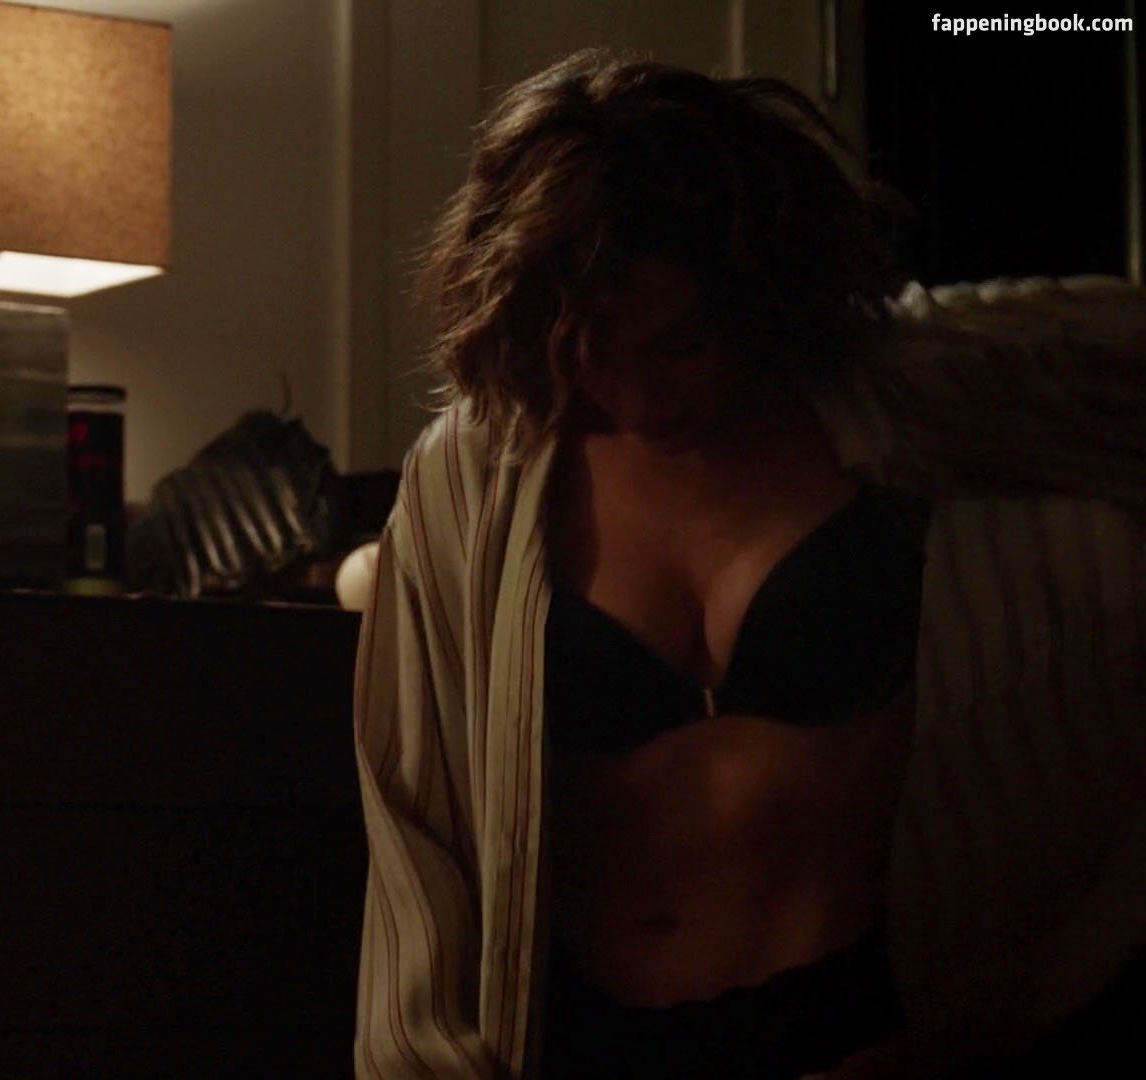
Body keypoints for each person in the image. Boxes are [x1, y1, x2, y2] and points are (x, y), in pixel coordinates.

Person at [353, 49, 1146, 1079]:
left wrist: (997, 1018)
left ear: (756, 294)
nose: (638, 399)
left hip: (853, 1036)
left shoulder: (892, 396)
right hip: (586, 1049)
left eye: (680, 345)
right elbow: (416, 837)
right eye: (590, 352)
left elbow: (1111, 348)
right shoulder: (476, 474)